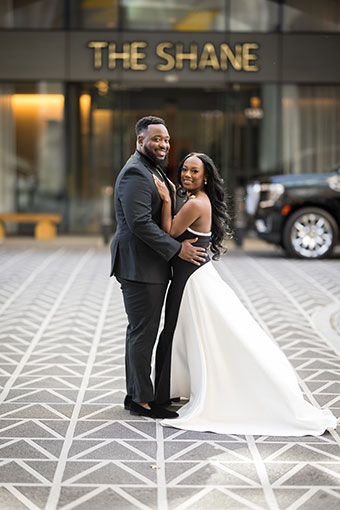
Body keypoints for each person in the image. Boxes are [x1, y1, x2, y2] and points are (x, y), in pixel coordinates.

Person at [153, 152, 337, 435]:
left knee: (175, 332)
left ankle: (164, 396)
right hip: (196, 275)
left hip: (190, 280)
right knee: (189, 333)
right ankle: (175, 389)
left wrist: (166, 200)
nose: (187, 175)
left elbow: (167, 231)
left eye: (194, 172)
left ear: (205, 178)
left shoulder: (194, 204)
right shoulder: (196, 201)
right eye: (184, 170)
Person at [110, 117, 207, 419]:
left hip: (150, 266)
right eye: (156, 139)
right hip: (139, 266)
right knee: (143, 333)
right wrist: (178, 248)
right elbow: (140, 224)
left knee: (143, 331)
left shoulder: (151, 168)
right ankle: (140, 401)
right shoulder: (135, 174)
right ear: (140, 141)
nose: (163, 144)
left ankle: (140, 395)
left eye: (166, 139)